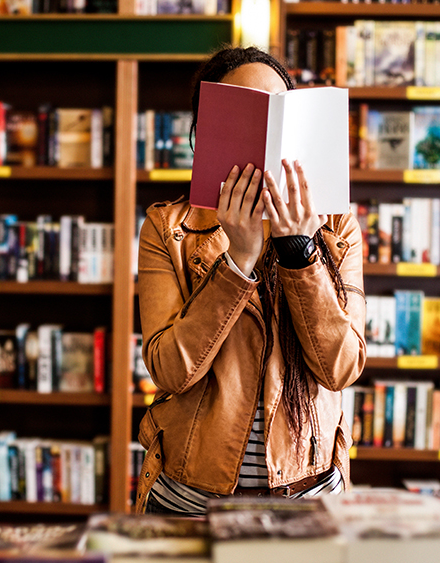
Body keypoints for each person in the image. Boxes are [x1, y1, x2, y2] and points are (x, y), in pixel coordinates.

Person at [135, 45, 366, 516]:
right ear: (208, 134)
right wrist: (236, 261)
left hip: (308, 500)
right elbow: (170, 371)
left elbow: (341, 368)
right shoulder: (169, 228)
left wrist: (299, 250)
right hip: (190, 504)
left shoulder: (336, 228)